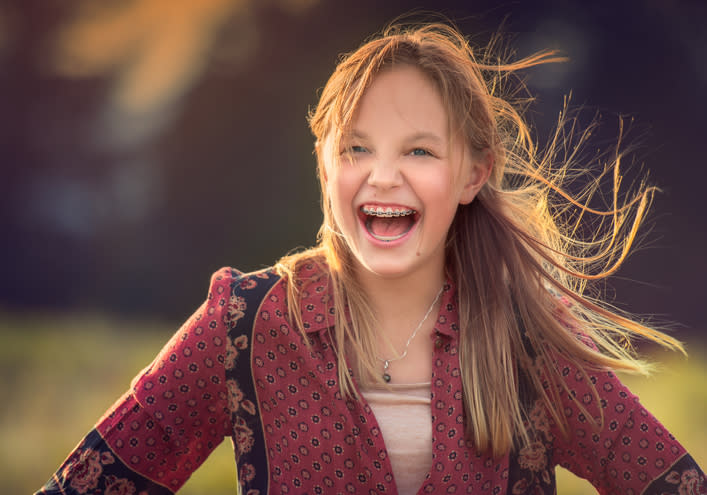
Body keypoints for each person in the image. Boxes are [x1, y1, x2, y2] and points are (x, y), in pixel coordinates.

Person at [37, 20, 705, 495]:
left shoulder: (528, 338)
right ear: (324, 169)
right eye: (355, 149)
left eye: (417, 150)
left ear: (471, 175)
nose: (382, 176)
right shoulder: (240, 323)